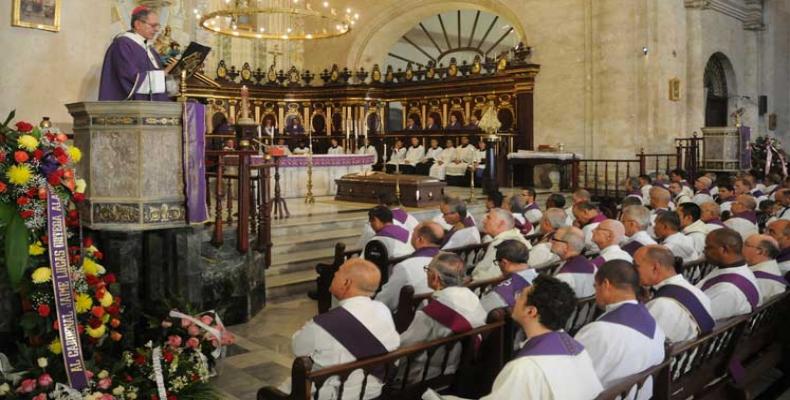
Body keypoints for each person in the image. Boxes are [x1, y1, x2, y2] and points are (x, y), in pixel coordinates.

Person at [439, 275, 603, 400]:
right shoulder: (578, 349)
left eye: (521, 295)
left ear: (531, 311)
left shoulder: (525, 367)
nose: (515, 298)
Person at [284, 259, 399, 399]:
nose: (333, 276)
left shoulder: (323, 324)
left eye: (337, 273)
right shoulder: (383, 310)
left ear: (346, 283)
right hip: (373, 391)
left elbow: (298, 348)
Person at [574, 260, 666, 395]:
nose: (595, 293)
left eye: (596, 286)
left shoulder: (599, 332)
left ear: (606, 284)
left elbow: (574, 375)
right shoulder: (655, 325)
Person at [400, 252, 487, 382]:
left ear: (435, 277)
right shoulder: (472, 297)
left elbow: (406, 344)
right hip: (465, 365)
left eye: (428, 270)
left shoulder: (434, 311)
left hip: (430, 372)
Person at [634, 245, 714, 342]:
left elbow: (639, 341)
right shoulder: (697, 292)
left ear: (655, 268)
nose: (633, 271)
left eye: (636, 266)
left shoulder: (661, 305)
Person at [99, 6, 174, 101]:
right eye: (153, 25)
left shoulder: (149, 48)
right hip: (130, 107)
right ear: (138, 24)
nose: (156, 30)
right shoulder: (123, 44)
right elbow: (130, 79)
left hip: (153, 107)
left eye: (157, 26)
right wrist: (163, 73)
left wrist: (173, 73)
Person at [375, 222, 444, 311]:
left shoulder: (405, 266)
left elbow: (385, 301)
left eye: (413, 234)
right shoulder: (451, 260)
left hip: (414, 316)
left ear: (420, 240)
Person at [697, 228, 762, 320]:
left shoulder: (728, 290)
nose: (704, 251)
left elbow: (698, 317)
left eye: (708, 247)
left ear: (724, 250)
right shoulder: (735, 269)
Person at [480, 240, 539, 312]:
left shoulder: (498, 294)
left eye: (497, 262)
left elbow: (480, 313)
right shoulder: (542, 279)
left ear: (504, 263)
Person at [472, 208, 531, 280]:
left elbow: (492, 276)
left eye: (489, 218)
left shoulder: (504, 245)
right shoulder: (515, 237)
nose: (484, 221)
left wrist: (472, 278)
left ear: (501, 223)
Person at [552, 227, 597, 298]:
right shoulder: (594, 267)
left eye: (555, 239)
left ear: (566, 247)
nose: (551, 242)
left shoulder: (564, 277)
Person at [743, 234, 788, 301]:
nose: (740, 247)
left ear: (760, 251)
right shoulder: (772, 269)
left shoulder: (759, 281)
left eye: (746, 244)